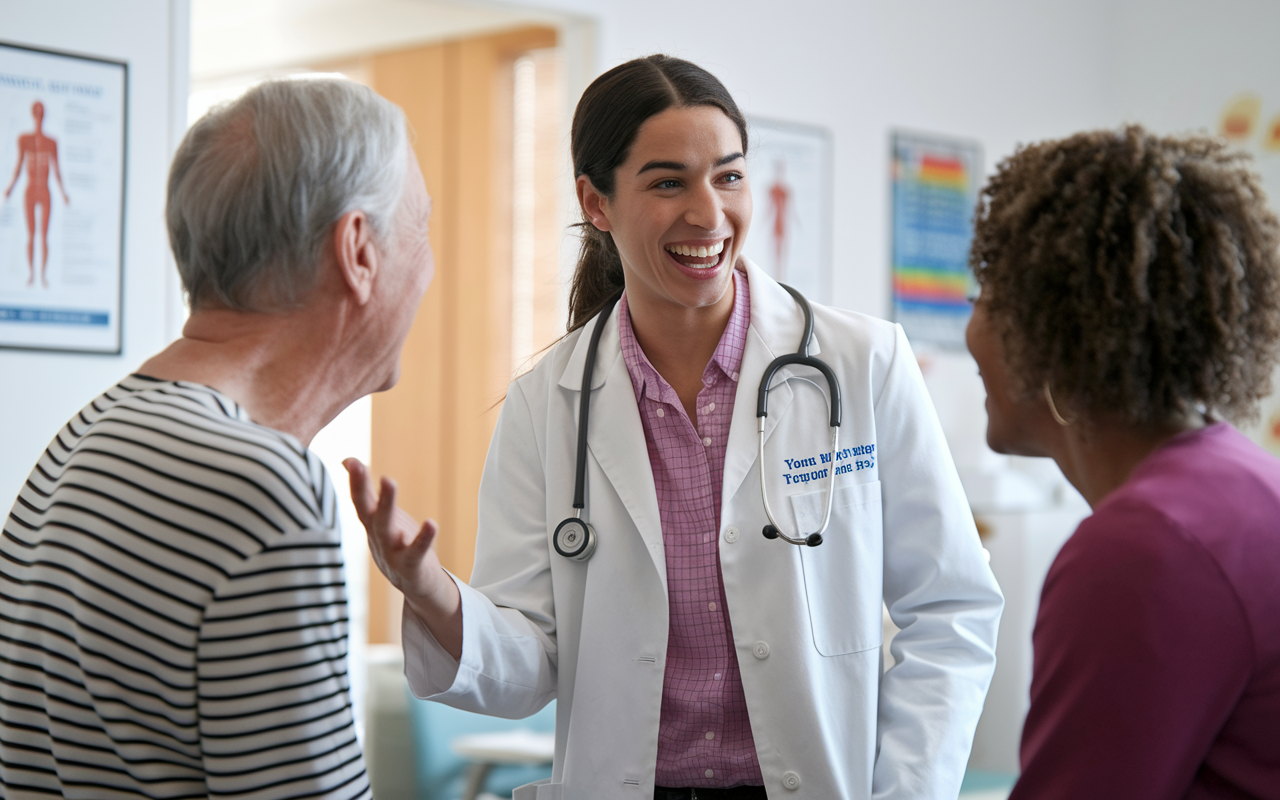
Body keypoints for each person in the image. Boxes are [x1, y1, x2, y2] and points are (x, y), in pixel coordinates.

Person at [350, 54, 1001, 800]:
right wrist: (432, 590)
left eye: (728, 175)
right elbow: (529, 668)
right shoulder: (547, 403)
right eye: (669, 182)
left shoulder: (864, 364)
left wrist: (909, 791)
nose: (709, 213)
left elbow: (952, 608)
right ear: (596, 202)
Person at [0, 78, 431, 799]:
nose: (427, 271)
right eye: (422, 229)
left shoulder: (83, 439)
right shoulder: (262, 487)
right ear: (358, 250)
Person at [965, 126, 1280, 799]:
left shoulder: (1143, 550)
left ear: (1053, 328)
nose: (971, 329)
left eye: (984, 296)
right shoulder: (1245, 482)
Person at [4, 100, 70, 288]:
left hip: (45, 191)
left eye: (42, 112)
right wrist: (10, 187)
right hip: (31, 189)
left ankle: (43, 276)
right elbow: (18, 166)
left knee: (44, 236)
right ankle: (32, 275)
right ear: (34, 114)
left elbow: (57, 170)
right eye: (37, 111)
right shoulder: (24, 140)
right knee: (31, 235)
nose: (39, 115)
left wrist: (63, 192)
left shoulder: (51, 142)